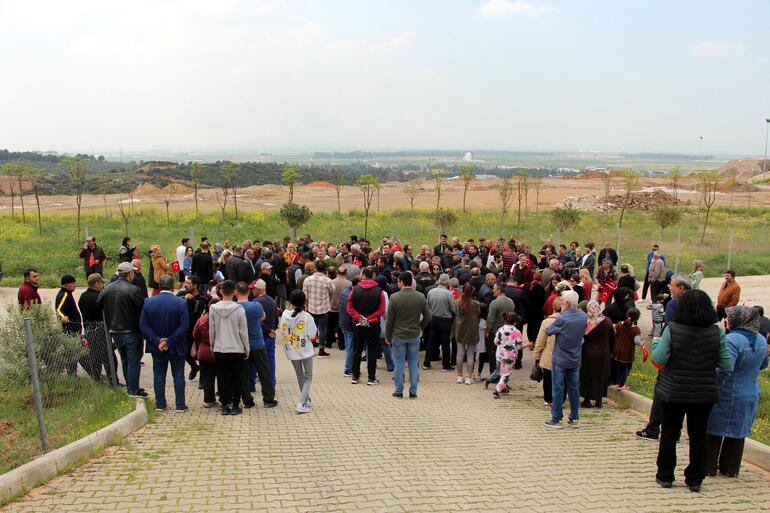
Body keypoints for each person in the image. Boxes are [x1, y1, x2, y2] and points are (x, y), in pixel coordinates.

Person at [652, 289, 732, 492]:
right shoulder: (717, 333)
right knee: (698, 434)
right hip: (703, 392)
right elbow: (726, 364)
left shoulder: (673, 329)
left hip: (674, 390)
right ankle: (695, 478)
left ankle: (665, 475)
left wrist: (655, 344)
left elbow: (659, 359)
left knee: (670, 432)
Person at [707, 306, 768, 478]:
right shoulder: (761, 340)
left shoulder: (732, 340)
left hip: (727, 392)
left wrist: (714, 385)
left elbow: (725, 368)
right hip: (750, 391)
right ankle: (730, 468)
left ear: (738, 321)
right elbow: (764, 365)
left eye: (729, 317)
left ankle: (709, 466)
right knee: (738, 432)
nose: (726, 320)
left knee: (714, 431)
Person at [139, 275, 190, 412]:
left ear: (159, 286)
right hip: (176, 345)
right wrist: (171, 341)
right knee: (178, 375)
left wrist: (157, 341)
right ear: (173, 286)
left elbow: (143, 326)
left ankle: (160, 403)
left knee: (159, 375)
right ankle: (180, 404)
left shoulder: (148, 302)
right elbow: (184, 326)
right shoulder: (181, 303)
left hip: (157, 347)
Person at [98, 262, 147, 397]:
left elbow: (99, 303)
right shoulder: (133, 290)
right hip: (131, 330)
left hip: (115, 330)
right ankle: (133, 389)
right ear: (130, 273)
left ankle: (131, 387)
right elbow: (142, 307)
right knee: (133, 360)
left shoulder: (107, 289)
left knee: (125, 359)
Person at [544, 290, 587, 428]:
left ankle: (557, 418)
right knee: (574, 388)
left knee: (558, 388)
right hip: (575, 358)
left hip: (560, 358)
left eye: (562, 301)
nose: (561, 303)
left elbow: (549, 331)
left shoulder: (562, 319)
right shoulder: (583, 317)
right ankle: (574, 418)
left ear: (567, 303)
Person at [385, 272, 431, 398]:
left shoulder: (394, 297)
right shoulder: (420, 297)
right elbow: (428, 316)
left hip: (398, 334)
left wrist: (388, 336)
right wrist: (420, 327)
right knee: (413, 362)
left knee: (399, 363)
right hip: (414, 334)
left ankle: (399, 390)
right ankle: (413, 391)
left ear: (401, 281)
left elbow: (389, 320)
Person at [209, 280, 250, 416]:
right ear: (235, 293)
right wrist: (246, 348)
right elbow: (243, 331)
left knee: (222, 377)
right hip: (236, 347)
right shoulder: (239, 309)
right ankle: (236, 404)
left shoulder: (213, 308)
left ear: (221, 292)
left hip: (220, 347)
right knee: (236, 377)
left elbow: (212, 330)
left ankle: (224, 404)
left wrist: (212, 345)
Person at [235, 281, 277, 409]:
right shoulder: (256, 306)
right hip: (258, 343)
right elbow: (263, 317)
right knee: (264, 371)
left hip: (241, 345)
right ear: (248, 292)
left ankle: (247, 400)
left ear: (236, 293)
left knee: (243, 374)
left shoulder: (234, 308)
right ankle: (268, 399)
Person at [277, 290, 318, 414]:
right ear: (304, 301)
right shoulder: (307, 317)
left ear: (291, 302)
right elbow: (312, 334)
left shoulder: (284, 315)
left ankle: (306, 399)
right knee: (308, 377)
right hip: (305, 350)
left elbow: (282, 331)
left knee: (300, 376)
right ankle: (301, 403)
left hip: (292, 350)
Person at [347, 267, 386, 385]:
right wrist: (370, 318)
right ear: (373, 276)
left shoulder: (355, 290)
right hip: (373, 324)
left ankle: (355, 376)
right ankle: (371, 377)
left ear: (363, 275)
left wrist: (359, 317)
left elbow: (349, 307)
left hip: (358, 324)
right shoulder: (379, 291)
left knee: (357, 350)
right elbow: (382, 309)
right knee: (372, 351)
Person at [78, 273, 113, 382]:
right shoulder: (98, 297)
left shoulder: (83, 296)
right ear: (96, 283)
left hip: (88, 329)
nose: (103, 285)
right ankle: (112, 379)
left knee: (94, 355)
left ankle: (96, 378)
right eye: (102, 282)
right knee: (108, 356)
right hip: (100, 330)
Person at [580, 300, 614, 408]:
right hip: (603, 353)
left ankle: (587, 400)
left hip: (588, 354)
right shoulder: (607, 321)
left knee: (588, 376)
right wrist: (610, 351)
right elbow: (612, 338)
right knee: (601, 376)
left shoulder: (586, 322)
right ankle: (599, 400)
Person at [302, 260, 335, 358]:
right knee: (323, 329)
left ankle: (311, 349)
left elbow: (305, 295)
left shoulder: (308, 279)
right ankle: (321, 350)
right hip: (324, 308)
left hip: (311, 307)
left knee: (311, 329)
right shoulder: (327, 280)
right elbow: (333, 291)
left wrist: (306, 305)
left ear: (315, 268)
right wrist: (328, 299)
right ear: (325, 269)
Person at [424, 274, 457, 371]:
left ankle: (426, 363)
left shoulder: (431, 292)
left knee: (431, 342)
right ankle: (445, 365)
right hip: (446, 320)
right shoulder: (448, 294)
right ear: (447, 282)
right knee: (445, 343)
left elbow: (428, 305)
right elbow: (453, 309)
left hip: (434, 319)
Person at [177, 276, 207, 380]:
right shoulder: (182, 295)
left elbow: (199, 313)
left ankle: (203, 378)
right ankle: (194, 367)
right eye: (186, 283)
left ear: (195, 285)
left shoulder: (203, 298)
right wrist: (185, 300)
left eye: (189, 283)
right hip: (186, 329)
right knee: (185, 352)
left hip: (199, 329)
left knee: (201, 354)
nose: (186, 285)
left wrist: (190, 301)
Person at [534, 298, 561, 406]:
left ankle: (549, 399)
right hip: (564, 355)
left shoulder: (547, 322)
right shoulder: (569, 321)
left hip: (549, 355)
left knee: (548, 378)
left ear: (553, 307)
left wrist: (537, 355)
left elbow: (540, 341)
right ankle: (560, 399)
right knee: (561, 378)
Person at [485, 283, 515, 377]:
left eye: (494, 289)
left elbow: (490, 319)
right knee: (504, 353)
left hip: (495, 330)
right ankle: (502, 373)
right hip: (507, 331)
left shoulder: (494, 303)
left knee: (493, 353)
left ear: (499, 290)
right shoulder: (511, 302)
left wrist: (487, 331)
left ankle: (493, 373)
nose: (492, 290)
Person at [452, 283, 480, 385]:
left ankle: (459, 376)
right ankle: (468, 377)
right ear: (472, 292)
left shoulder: (457, 302)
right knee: (470, 354)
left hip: (460, 329)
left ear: (462, 291)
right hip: (472, 330)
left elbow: (454, 312)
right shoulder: (475, 304)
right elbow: (478, 314)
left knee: (460, 353)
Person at [192, 297, 218, 408]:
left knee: (207, 377)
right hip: (219, 351)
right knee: (222, 376)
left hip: (204, 352)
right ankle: (224, 398)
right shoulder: (222, 320)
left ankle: (209, 400)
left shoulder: (202, 319)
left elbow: (195, 335)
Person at [252, 279, 278, 386]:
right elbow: (276, 318)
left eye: (253, 289)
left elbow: (256, 320)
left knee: (254, 361)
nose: (252, 291)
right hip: (270, 336)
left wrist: (268, 330)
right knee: (270, 360)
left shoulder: (255, 303)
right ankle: (271, 382)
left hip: (260, 336)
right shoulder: (272, 300)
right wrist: (273, 329)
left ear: (258, 289)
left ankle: (251, 383)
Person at [491, 311, 523, 399]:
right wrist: (528, 345)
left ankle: (502, 388)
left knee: (502, 372)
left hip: (501, 353)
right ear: (515, 322)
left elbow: (496, 341)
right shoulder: (517, 332)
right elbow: (519, 346)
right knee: (506, 374)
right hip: (511, 355)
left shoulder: (501, 329)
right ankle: (497, 390)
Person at [611, 308, 642, 390]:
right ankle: (621, 385)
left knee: (617, 367)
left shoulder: (619, 324)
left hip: (616, 351)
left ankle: (615, 382)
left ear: (627, 315)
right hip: (627, 354)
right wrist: (642, 344)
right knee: (625, 369)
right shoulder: (636, 329)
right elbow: (637, 341)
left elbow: (614, 333)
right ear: (637, 318)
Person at [338, 278, 356, 377]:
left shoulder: (345, 291)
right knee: (350, 347)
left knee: (348, 346)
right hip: (349, 325)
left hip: (343, 323)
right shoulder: (352, 295)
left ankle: (350, 367)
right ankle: (348, 369)